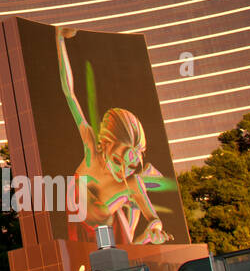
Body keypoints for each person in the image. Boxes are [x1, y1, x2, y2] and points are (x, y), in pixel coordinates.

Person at [57, 27, 172, 245]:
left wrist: (155, 228)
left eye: (129, 166)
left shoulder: (131, 182)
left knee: (132, 194)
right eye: (118, 160)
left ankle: (140, 239)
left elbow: (154, 217)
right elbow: (68, 92)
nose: (121, 172)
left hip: (106, 224)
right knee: (123, 199)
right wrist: (59, 40)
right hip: (83, 215)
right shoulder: (91, 148)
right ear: (106, 144)